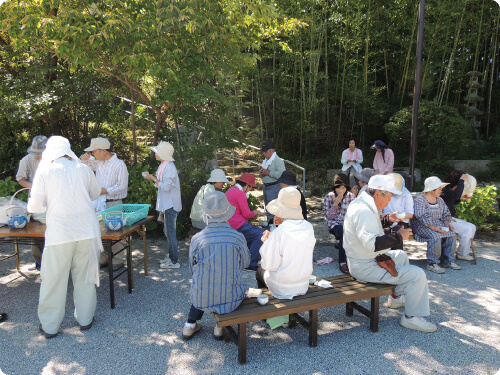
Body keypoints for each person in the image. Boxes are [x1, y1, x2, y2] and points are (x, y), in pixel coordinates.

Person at [27, 136, 103, 338]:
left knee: (53, 280)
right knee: (85, 277)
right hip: (86, 230)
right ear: (68, 149)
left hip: (59, 232)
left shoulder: (45, 170)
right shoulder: (83, 169)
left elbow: (34, 207)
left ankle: (50, 326)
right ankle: (86, 320)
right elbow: (95, 194)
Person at [343, 174, 437, 333]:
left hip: (361, 259)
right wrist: (398, 236)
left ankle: (395, 298)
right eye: (390, 196)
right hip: (364, 266)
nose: (390, 200)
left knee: (401, 255)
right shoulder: (363, 211)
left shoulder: (362, 203)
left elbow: (370, 228)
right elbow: (372, 244)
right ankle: (411, 317)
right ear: (378, 193)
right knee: (417, 274)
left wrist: (387, 219)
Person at [182, 191, 250, 340]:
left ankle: (189, 325)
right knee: (226, 287)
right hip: (230, 297)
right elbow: (245, 264)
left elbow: (192, 268)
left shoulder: (197, 239)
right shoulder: (238, 237)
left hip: (201, 297)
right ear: (228, 213)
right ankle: (219, 327)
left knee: (202, 285)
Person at [256, 187, 316, 299]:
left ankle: (266, 306)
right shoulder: (308, 227)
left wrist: (267, 243)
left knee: (259, 271)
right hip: (303, 284)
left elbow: (269, 265)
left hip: (282, 287)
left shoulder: (279, 232)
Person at [81, 137, 129, 269]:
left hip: (114, 203)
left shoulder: (119, 164)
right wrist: (84, 158)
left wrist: (104, 191)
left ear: (103, 151)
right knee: (99, 232)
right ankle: (104, 258)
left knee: (115, 233)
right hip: (99, 202)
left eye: (94, 152)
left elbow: (122, 186)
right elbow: (84, 165)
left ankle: (118, 260)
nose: (92, 155)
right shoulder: (99, 162)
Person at [143, 141, 182, 269]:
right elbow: (163, 183)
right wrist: (153, 178)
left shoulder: (169, 167)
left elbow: (166, 186)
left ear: (163, 154)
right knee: (168, 232)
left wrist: (153, 179)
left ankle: (174, 261)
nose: (155, 154)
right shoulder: (164, 165)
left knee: (170, 233)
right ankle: (171, 257)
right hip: (167, 204)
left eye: (157, 152)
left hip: (171, 204)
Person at [411, 177, 459, 274]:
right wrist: (433, 228)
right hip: (422, 226)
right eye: (439, 189)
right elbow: (421, 217)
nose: (441, 190)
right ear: (431, 190)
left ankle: (448, 261)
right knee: (435, 236)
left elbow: (446, 213)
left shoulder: (440, 200)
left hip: (439, 225)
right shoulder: (420, 200)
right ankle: (432, 263)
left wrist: (447, 223)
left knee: (451, 234)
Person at [16, 135, 47, 271]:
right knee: (36, 231)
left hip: (54, 199)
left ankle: (56, 263)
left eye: (39, 153)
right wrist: (33, 187)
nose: (36, 156)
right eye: (34, 153)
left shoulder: (54, 159)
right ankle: (39, 262)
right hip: (35, 199)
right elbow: (20, 179)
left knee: (53, 230)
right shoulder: (26, 160)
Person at [225, 173, 265, 270]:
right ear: (247, 185)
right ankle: (251, 263)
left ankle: (245, 259)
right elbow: (247, 214)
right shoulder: (240, 193)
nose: (250, 189)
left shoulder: (231, 190)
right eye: (251, 187)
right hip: (237, 224)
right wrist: (256, 212)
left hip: (229, 223)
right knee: (261, 235)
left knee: (257, 232)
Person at [324, 173, 355, 274]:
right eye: (338, 188)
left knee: (349, 230)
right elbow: (329, 217)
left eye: (343, 187)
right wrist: (335, 203)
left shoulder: (351, 197)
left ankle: (355, 258)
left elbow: (354, 213)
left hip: (347, 223)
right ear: (334, 188)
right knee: (343, 231)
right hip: (334, 224)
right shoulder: (329, 196)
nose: (341, 190)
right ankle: (342, 262)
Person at [441, 171, 476, 261]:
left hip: (448, 218)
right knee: (468, 228)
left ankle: (463, 252)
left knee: (472, 227)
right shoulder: (444, 190)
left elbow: (450, 201)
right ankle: (462, 254)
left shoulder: (446, 190)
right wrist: (461, 180)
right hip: (442, 220)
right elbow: (456, 195)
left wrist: (459, 199)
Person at [259, 140, 286, 225]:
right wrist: (262, 174)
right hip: (266, 185)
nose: (264, 153)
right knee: (267, 205)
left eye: (265, 151)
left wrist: (269, 173)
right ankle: (269, 221)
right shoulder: (266, 160)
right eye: (263, 151)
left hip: (274, 186)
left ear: (271, 150)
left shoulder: (278, 160)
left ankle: (274, 223)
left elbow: (282, 174)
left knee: (273, 206)